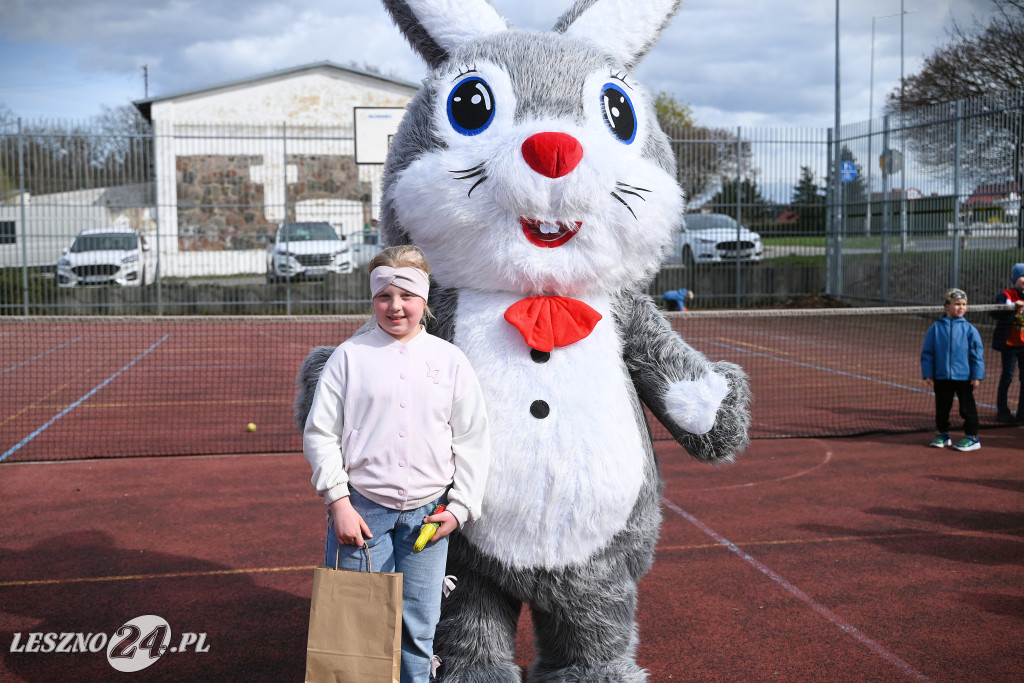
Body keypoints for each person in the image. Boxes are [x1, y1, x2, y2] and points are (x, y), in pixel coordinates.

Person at [302, 245, 490, 683]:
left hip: (428, 518)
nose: (395, 306)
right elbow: (321, 434)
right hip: (361, 514)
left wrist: (459, 508)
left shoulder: (450, 359)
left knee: (418, 627)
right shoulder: (349, 357)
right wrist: (338, 503)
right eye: (384, 296)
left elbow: (473, 438)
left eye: (406, 295)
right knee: (358, 628)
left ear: (424, 300)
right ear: (373, 300)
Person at [921, 288, 985, 451]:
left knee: (967, 408)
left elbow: (976, 354)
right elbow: (928, 352)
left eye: (964, 304)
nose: (961, 307)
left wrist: (976, 375)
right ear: (947, 306)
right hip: (942, 376)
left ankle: (972, 437)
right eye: (957, 304)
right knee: (942, 408)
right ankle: (943, 433)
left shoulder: (970, 329)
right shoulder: (935, 328)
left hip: (964, 377)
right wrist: (928, 373)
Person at [990, 262, 1024, 424]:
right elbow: (995, 312)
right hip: (1010, 344)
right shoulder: (1006, 295)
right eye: (1022, 276)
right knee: (1008, 376)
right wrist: (1011, 309)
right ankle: (1002, 410)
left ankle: (1022, 412)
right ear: (1015, 279)